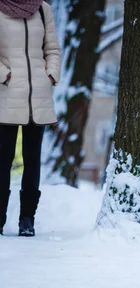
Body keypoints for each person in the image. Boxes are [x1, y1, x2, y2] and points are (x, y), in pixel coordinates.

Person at [0, 0, 61, 237]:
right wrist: (5, 76)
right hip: (7, 94)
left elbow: (52, 49)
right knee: (2, 161)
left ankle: (27, 219)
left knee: (32, 159)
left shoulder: (42, 9)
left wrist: (50, 74)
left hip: (38, 96)